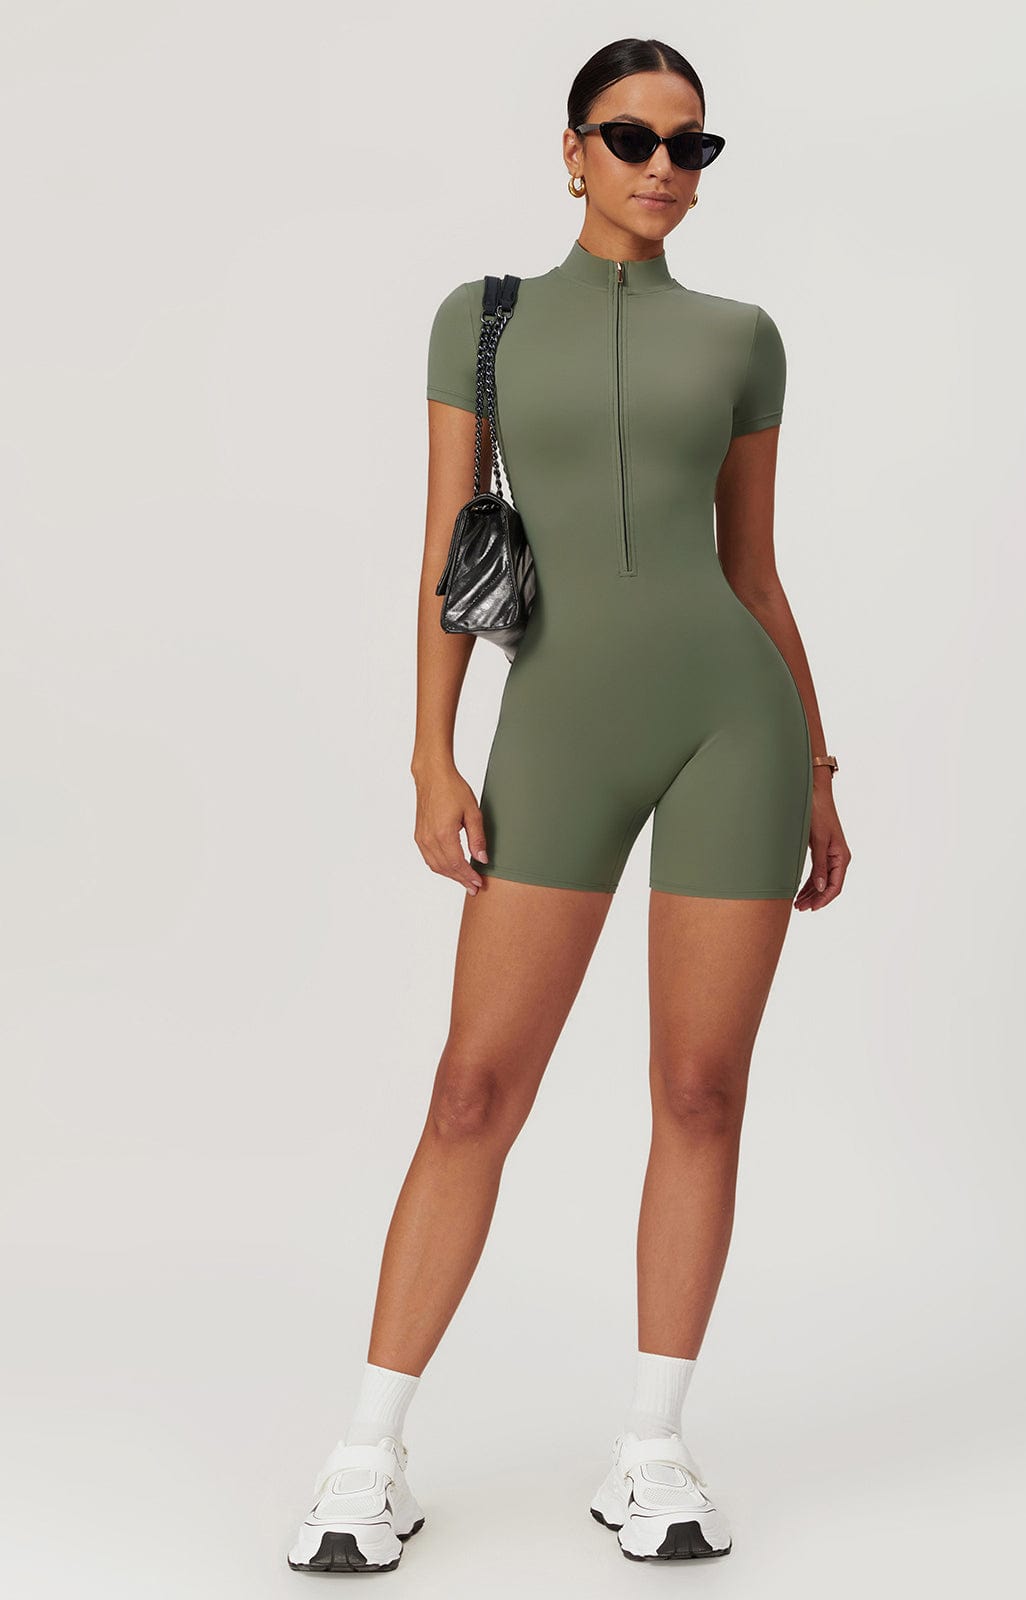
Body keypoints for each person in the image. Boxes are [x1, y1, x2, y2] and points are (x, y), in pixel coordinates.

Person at [288, 35, 851, 1573]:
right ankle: (365, 1457)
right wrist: (431, 753)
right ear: (572, 150)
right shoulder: (480, 321)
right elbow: (447, 552)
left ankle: (654, 1452)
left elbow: (754, 572)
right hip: (556, 733)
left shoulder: (742, 337)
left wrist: (815, 768)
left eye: (691, 145)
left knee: (702, 1090)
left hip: (732, 727)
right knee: (474, 1090)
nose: (665, 167)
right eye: (633, 137)